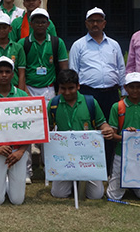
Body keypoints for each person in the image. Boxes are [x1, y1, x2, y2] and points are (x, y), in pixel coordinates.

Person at [68, 7, 125, 175]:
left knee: (111, 131)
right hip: (88, 94)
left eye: (98, 21)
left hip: (111, 94)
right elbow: (73, 71)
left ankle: (108, 169)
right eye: (91, 21)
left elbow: (121, 69)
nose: (95, 24)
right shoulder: (78, 45)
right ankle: (89, 168)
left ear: (104, 23)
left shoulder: (114, 45)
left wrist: (124, 93)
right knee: (90, 131)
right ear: (86, 23)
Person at [48, 69, 114, 201]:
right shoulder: (53, 104)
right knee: (58, 193)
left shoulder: (90, 102)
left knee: (96, 195)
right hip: (64, 156)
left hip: (88, 156)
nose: (67, 92)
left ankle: (80, 180)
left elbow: (102, 123)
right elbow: (47, 128)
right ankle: (73, 180)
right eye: (63, 88)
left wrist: (107, 129)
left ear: (78, 86)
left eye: (71, 88)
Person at [106, 72, 140, 203]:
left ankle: (133, 185)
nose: (135, 90)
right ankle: (128, 182)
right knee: (113, 196)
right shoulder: (118, 107)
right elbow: (112, 135)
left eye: (138, 86)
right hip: (122, 153)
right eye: (131, 87)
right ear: (125, 87)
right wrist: (126, 136)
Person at [0, 57, 30, 205]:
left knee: (17, 200)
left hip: (18, 151)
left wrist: (21, 151)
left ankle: (9, 182)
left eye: (7, 72)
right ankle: (0, 182)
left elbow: (31, 128)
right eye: (0, 72)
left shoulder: (23, 96)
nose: (4, 75)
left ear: (13, 74)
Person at [19, 8, 68, 101]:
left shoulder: (57, 42)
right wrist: (25, 90)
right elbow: (20, 71)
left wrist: (62, 88)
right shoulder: (23, 43)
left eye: (43, 22)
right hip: (29, 88)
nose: (40, 25)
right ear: (31, 24)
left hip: (49, 88)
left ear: (48, 24)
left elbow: (64, 68)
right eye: (37, 22)